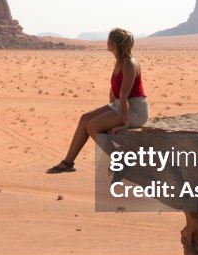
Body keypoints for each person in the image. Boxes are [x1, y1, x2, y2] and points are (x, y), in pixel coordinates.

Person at [46, 28, 150, 173]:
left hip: (134, 110)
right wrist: (109, 111)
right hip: (121, 106)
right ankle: (68, 162)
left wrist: (124, 124)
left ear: (115, 43)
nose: (106, 42)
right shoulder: (119, 62)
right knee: (85, 119)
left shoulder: (129, 64)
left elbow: (124, 95)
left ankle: (119, 159)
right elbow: (114, 94)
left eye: (109, 40)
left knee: (93, 126)